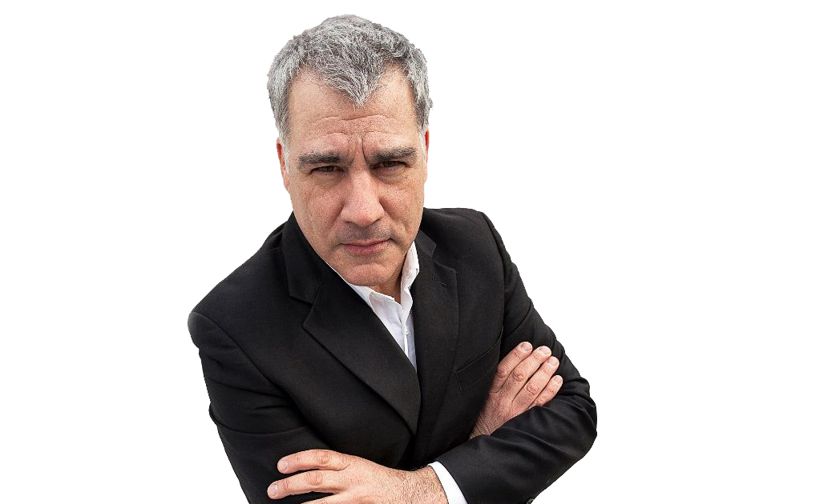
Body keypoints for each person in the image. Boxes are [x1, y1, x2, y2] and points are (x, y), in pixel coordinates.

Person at [188, 15, 596, 504]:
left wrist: (418, 489)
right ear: (284, 165)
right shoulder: (235, 326)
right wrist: (480, 444)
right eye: (327, 168)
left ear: (424, 151)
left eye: (390, 164)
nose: (363, 211)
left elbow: (573, 412)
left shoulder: (476, 245)